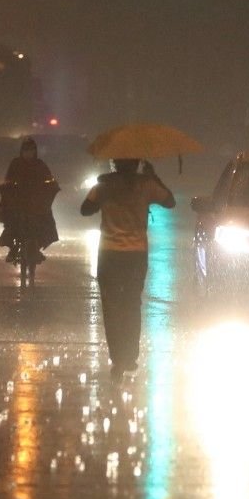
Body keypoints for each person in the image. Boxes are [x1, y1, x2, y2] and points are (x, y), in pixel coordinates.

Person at [80, 157, 176, 379]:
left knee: (111, 306)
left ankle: (118, 358)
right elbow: (170, 201)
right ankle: (130, 355)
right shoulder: (146, 185)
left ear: (114, 164)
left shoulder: (104, 186)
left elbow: (85, 209)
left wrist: (104, 194)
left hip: (109, 254)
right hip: (136, 254)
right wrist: (153, 176)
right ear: (136, 164)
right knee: (132, 303)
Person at [0, 138, 59, 264]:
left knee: (46, 219)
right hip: (18, 202)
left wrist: (50, 186)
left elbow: (49, 180)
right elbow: (8, 181)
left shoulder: (40, 165)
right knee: (10, 221)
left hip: (36, 203)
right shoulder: (15, 164)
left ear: (35, 151)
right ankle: (13, 248)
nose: (28, 153)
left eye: (31, 150)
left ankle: (37, 245)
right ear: (22, 151)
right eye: (26, 150)